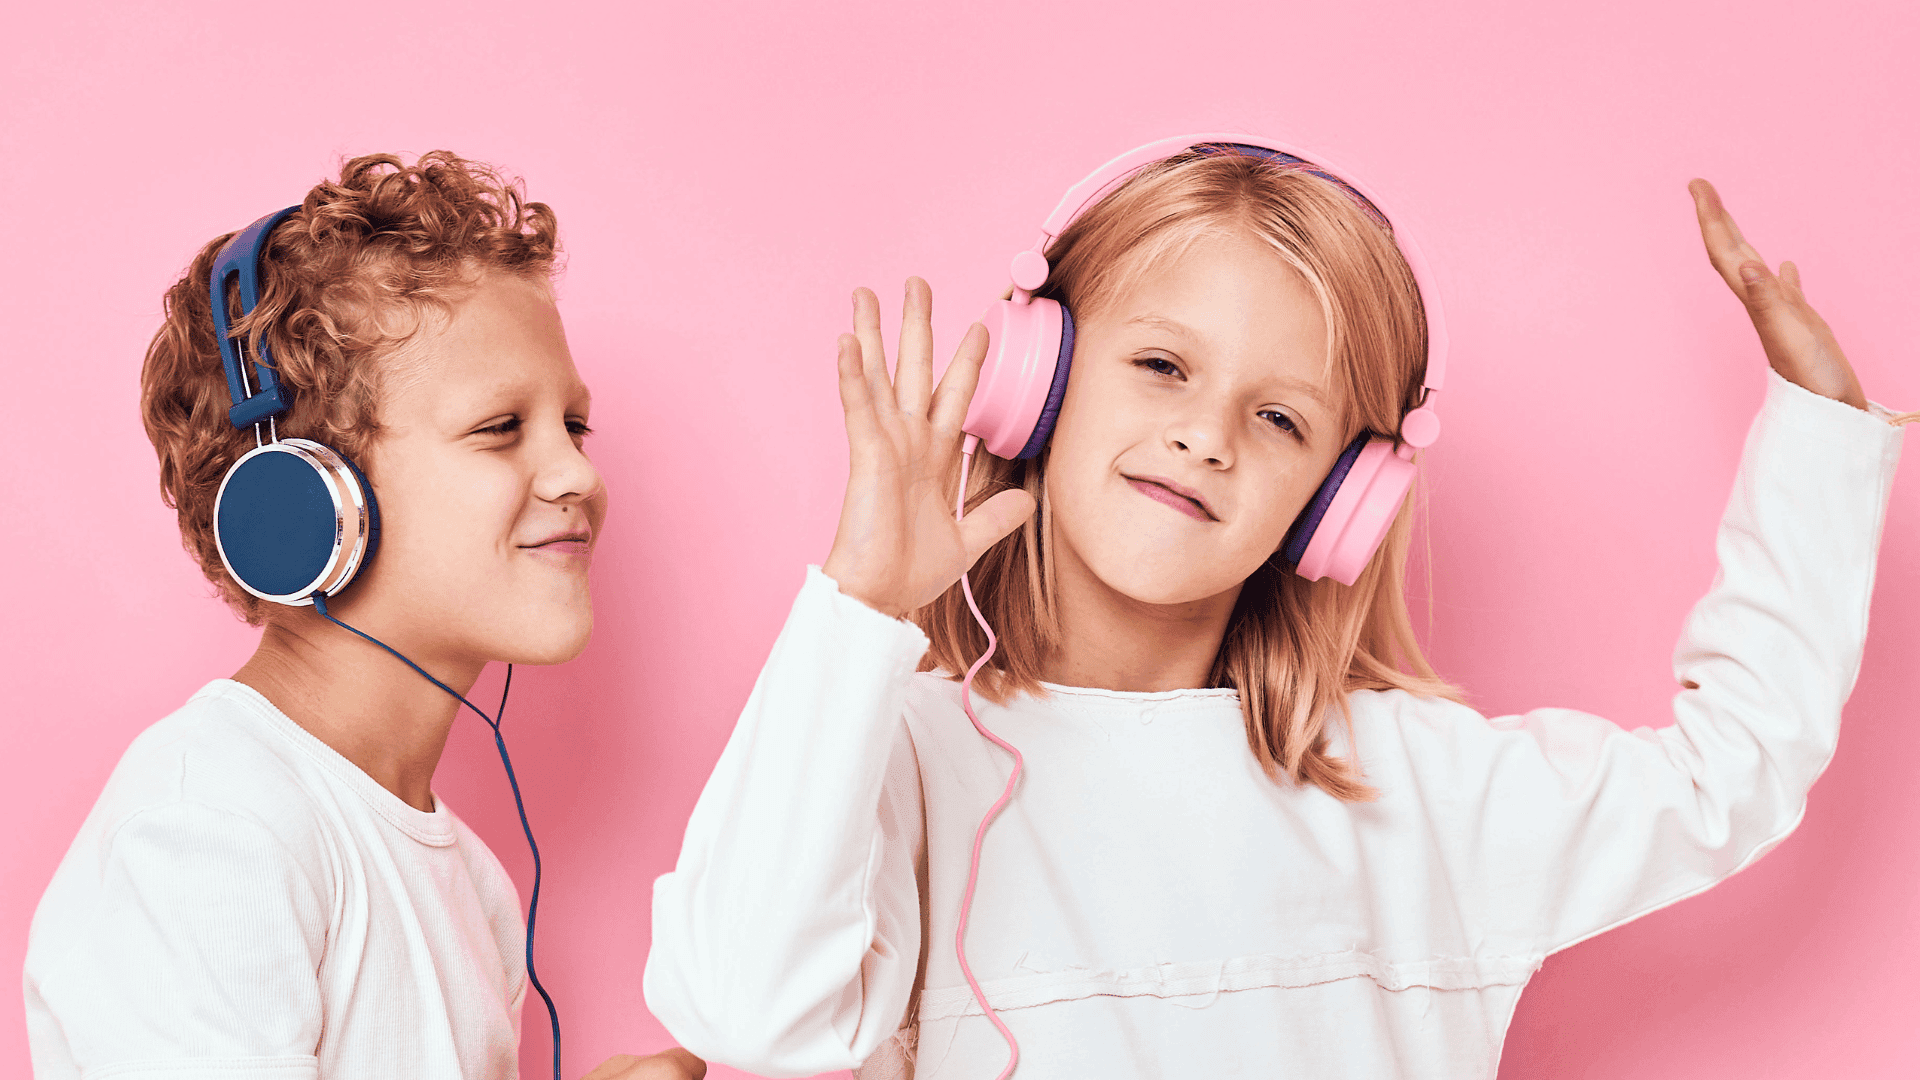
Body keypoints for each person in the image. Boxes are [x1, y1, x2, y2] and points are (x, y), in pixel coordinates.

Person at [642, 137, 1913, 1078]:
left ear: (1338, 503)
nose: (1204, 436)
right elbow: (740, 1007)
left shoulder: (1411, 793)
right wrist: (859, 607)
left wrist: (1820, 439)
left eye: (1281, 418)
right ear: (1038, 383)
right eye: (1159, 366)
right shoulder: (906, 758)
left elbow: (1728, 776)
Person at [24, 152, 702, 1080]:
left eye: (574, 427)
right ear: (300, 498)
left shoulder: (471, 883)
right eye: (501, 426)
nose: (579, 472)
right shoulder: (208, 830)